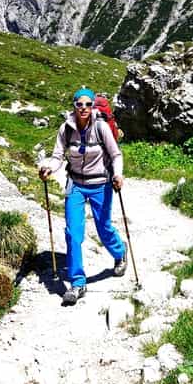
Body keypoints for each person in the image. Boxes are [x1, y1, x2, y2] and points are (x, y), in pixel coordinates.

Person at [39, 87, 127, 306]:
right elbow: (58, 155)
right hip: (76, 184)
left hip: (101, 184)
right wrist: (49, 167)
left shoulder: (101, 127)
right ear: (74, 105)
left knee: (103, 227)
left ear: (93, 106)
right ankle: (78, 283)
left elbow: (115, 154)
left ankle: (119, 251)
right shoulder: (66, 129)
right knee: (73, 233)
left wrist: (117, 174)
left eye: (88, 104)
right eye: (80, 104)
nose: (84, 108)